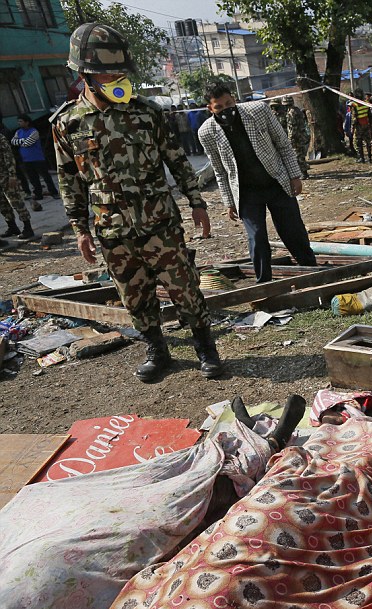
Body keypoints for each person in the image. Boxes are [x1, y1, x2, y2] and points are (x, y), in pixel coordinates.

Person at [52, 22, 223, 382]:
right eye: (108, 73)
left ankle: (206, 347)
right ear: (86, 75)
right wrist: (79, 229)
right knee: (134, 294)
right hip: (112, 229)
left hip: (159, 220)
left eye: (119, 71)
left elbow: (177, 159)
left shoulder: (146, 111)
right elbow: (69, 178)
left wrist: (198, 203)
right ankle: (157, 350)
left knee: (184, 286)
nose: (117, 77)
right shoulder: (67, 122)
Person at [198, 82, 317, 283]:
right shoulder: (206, 132)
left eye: (228, 103)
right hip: (246, 192)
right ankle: (264, 283)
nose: (226, 110)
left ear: (234, 99)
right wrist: (229, 202)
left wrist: (294, 176)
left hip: (276, 181)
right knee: (257, 238)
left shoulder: (258, 111)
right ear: (210, 109)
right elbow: (219, 170)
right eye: (219, 107)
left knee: (293, 231)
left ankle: (311, 271)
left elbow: (283, 144)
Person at [11, 114, 59, 204]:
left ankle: (54, 192)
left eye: (21, 121)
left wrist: (20, 141)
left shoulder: (34, 131)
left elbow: (28, 143)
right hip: (26, 160)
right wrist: (23, 140)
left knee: (46, 177)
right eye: (19, 122)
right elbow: (13, 141)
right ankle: (38, 194)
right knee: (33, 178)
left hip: (37, 158)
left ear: (27, 122)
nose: (19, 123)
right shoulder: (18, 132)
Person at [0, 135, 33, 239]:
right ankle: (12, 227)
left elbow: (8, 156)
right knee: (3, 204)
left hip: (5, 175)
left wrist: (12, 175)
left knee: (16, 201)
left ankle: (28, 228)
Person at [283, 95, 310, 177]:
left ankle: (303, 173)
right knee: (300, 154)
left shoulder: (291, 113)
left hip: (296, 137)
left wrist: (290, 139)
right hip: (302, 136)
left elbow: (292, 127)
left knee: (298, 155)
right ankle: (304, 172)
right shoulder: (297, 110)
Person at [350, 93, 372, 163]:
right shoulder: (366, 103)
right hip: (366, 125)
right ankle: (369, 158)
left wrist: (352, 128)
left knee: (357, 142)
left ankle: (361, 158)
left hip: (359, 126)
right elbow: (370, 115)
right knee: (368, 142)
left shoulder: (354, 105)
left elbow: (354, 118)